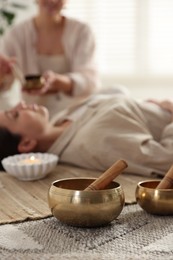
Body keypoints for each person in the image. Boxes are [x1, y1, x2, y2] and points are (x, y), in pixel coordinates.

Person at [0, 93, 173, 176]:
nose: (20, 104)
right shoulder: (96, 142)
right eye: (15, 114)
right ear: (27, 144)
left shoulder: (60, 119)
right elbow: (167, 161)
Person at [0, 0, 100, 117]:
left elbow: (90, 81)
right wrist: (2, 73)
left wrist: (57, 81)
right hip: (32, 117)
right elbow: (4, 85)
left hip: (75, 115)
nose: (53, 1)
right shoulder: (16, 35)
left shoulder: (82, 31)